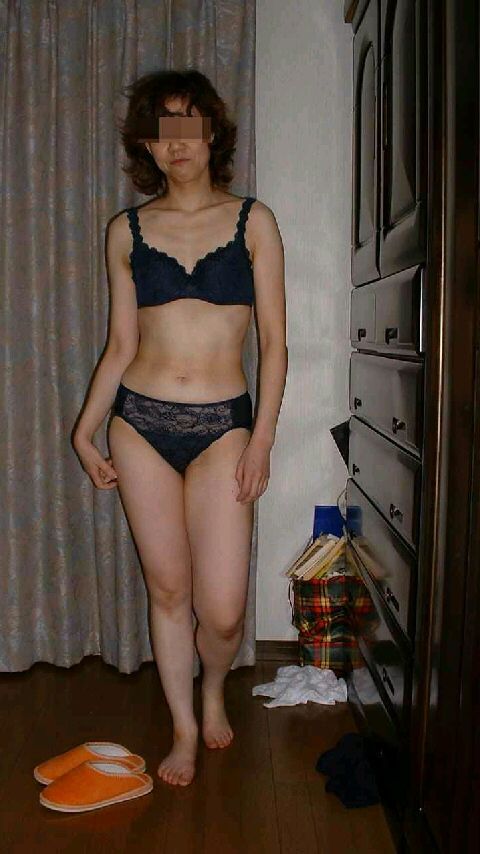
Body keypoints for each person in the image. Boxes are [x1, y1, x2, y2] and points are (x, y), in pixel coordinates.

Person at [72, 69, 287, 787]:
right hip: (140, 423)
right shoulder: (126, 231)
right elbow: (120, 346)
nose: (178, 143)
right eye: (163, 130)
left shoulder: (253, 221)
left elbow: (275, 345)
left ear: (212, 133)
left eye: (190, 124)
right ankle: (185, 729)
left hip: (225, 427)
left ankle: (212, 684)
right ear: (147, 145)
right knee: (167, 591)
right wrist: (84, 431)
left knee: (221, 611)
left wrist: (262, 440)